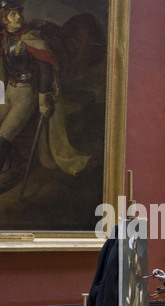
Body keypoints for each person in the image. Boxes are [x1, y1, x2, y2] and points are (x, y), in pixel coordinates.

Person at [0, 0, 91, 193]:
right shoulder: (4, 39)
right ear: (4, 19)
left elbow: (46, 69)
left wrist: (43, 100)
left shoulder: (31, 38)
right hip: (8, 92)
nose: (19, 16)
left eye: (18, 13)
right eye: (13, 14)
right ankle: (9, 166)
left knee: (4, 134)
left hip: (26, 94)